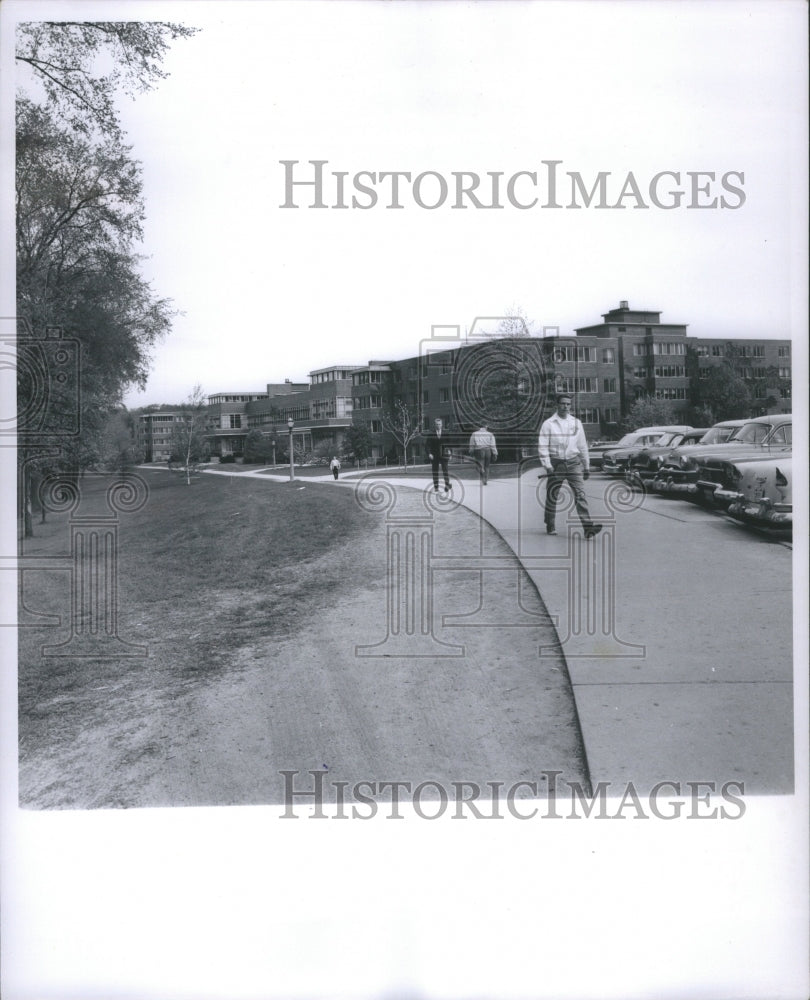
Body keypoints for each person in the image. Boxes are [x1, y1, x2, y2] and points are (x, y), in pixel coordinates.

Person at [538, 393, 602, 538]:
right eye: (563, 404)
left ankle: (588, 528)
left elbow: (582, 445)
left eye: (568, 404)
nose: (565, 406)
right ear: (557, 405)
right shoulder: (548, 424)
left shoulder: (576, 423)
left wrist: (586, 466)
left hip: (574, 463)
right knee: (552, 495)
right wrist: (548, 466)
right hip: (556, 463)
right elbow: (542, 446)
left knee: (580, 495)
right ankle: (550, 524)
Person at [426, 417, 452, 492]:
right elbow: (427, 445)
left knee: (445, 471)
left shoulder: (446, 433)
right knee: (435, 471)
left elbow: (449, 444)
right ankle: (436, 487)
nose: (438, 425)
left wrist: (450, 452)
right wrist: (429, 453)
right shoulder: (431, 434)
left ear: (442, 425)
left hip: (444, 455)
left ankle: (447, 485)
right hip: (435, 455)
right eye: (437, 424)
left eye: (439, 424)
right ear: (435, 425)